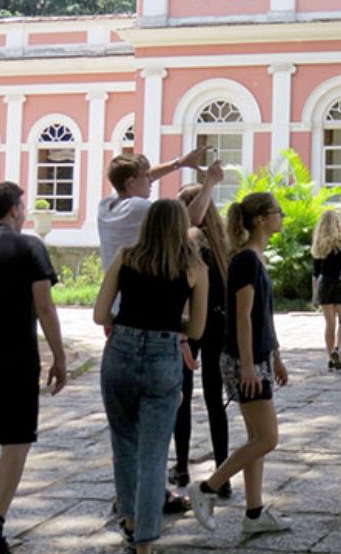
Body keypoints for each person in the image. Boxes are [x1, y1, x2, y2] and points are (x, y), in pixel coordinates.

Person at [97, 149, 222, 516]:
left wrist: (181, 163)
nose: (152, 181)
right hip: (158, 326)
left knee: (126, 428)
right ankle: (150, 503)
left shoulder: (107, 206)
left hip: (121, 322)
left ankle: (129, 497)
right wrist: (210, 182)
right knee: (155, 422)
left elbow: (138, 176)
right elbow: (188, 219)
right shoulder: (141, 210)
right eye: (147, 178)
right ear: (133, 183)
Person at [94, 200, 209, 554]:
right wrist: (175, 323)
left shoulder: (127, 256)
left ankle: (129, 521)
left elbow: (101, 313)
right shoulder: (194, 267)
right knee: (154, 453)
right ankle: (145, 539)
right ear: (180, 226)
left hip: (121, 352)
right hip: (163, 353)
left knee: (123, 443)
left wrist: (128, 322)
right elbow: (198, 327)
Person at [0, 182, 67, 554]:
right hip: (15, 360)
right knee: (18, 439)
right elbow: (45, 306)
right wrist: (59, 355)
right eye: (22, 208)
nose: (24, 214)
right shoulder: (29, 247)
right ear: (13, 210)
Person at [191, 192, 292, 535]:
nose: (282, 216)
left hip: (259, 357)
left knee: (255, 438)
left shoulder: (256, 258)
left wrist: (275, 356)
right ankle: (206, 488)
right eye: (278, 212)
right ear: (262, 219)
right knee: (267, 438)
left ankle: (254, 513)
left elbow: (265, 315)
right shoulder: (246, 260)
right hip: (242, 359)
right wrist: (249, 366)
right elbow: (242, 315)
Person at [168, 185, 232, 497]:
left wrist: (181, 336)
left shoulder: (188, 243)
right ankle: (223, 472)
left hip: (190, 325)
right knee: (214, 399)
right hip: (219, 323)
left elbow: (184, 291)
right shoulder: (223, 244)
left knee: (182, 396)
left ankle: (181, 467)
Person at [311, 209, 341, 371]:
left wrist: (314, 294)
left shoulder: (318, 244)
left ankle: (330, 356)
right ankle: (338, 349)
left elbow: (315, 273)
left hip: (324, 284)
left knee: (329, 324)